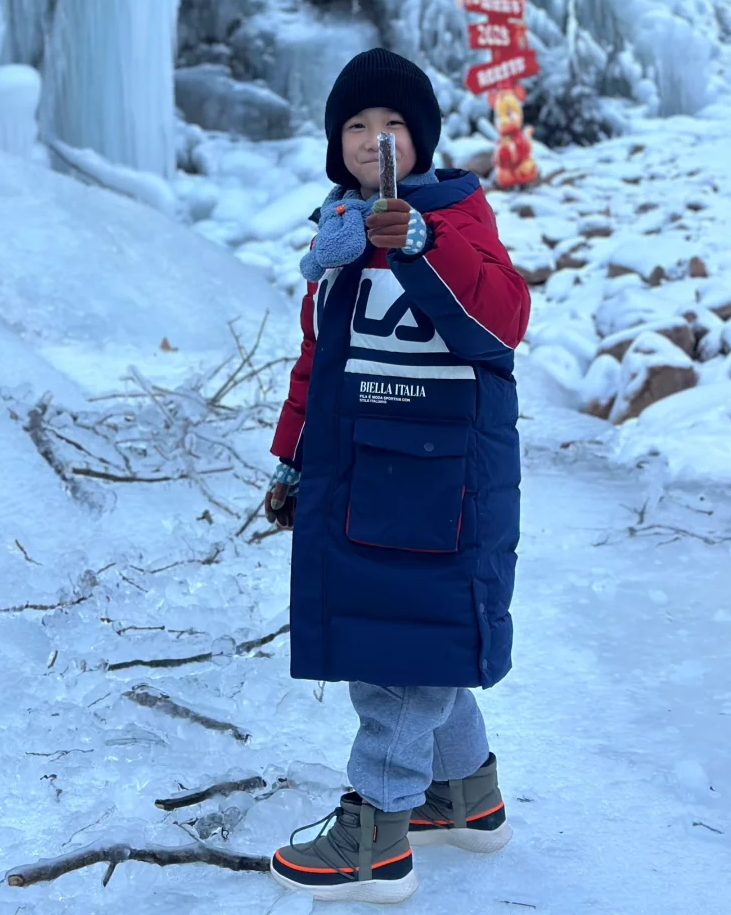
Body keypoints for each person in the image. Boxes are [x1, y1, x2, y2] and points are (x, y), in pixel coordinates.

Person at [265, 48, 531, 904]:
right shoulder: (339, 240)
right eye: (356, 126)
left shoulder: (456, 219)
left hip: (441, 484)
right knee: (413, 640)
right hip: (358, 476)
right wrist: (292, 458)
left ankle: (375, 833)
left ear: (421, 139)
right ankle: (461, 796)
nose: (375, 140)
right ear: (335, 142)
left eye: (393, 127)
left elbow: (500, 326)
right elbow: (321, 362)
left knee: (399, 661)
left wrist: (418, 245)